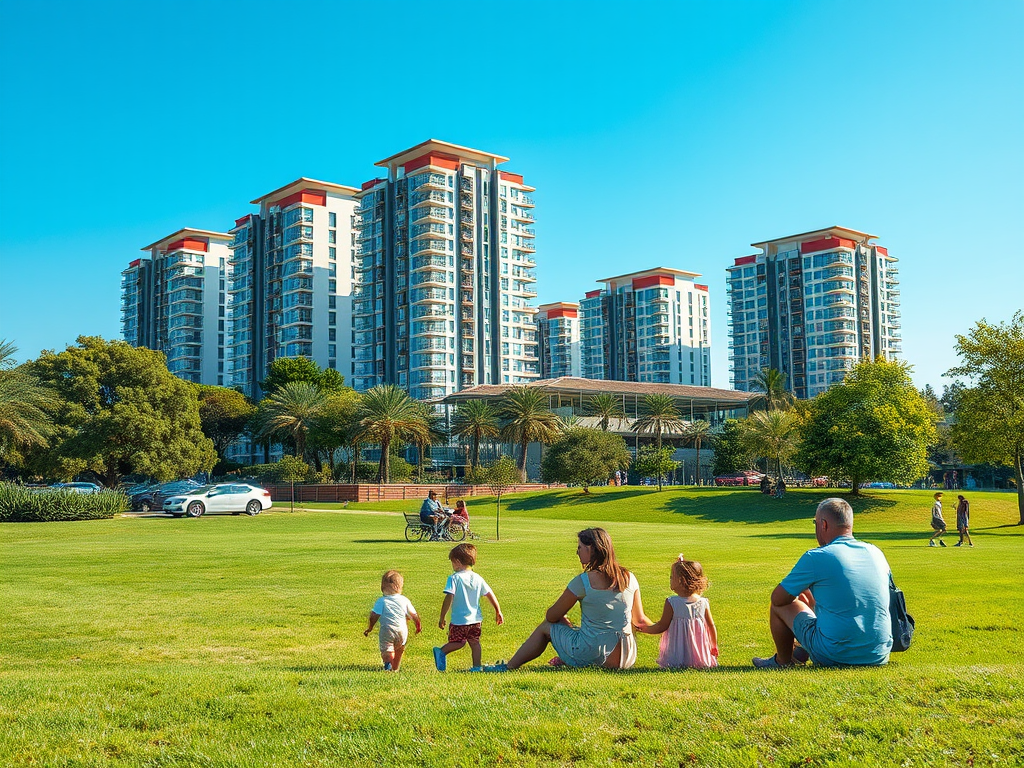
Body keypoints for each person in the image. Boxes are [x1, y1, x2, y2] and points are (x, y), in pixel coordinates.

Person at [753, 497, 892, 668]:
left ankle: (782, 661)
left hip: (835, 655)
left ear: (823, 524)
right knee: (809, 596)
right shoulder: (875, 552)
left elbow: (778, 599)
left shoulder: (817, 556)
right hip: (878, 654)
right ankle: (803, 649)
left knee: (780, 605)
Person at [485, 528, 647, 672]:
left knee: (547, 627)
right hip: (627, 657)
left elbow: (551, 617)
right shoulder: (629, 578)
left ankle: (509, 666)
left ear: (591, 549)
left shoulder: (583, 581)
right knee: (579, 630)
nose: (577, 552)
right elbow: (639, 619)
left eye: (579, 548)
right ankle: (569, 658)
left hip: (595, 653)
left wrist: (561, 620)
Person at [639, 554, 718, 669]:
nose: (670, 580)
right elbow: (711, 626)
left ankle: (679, 662)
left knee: (675, 664)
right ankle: (698, 662)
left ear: (681, 581)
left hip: (676, 654)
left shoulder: (672, 602)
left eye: (672, 577)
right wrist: (713, 645)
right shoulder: (703, 602)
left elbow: (662, 625)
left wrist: (645, 629)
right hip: (699, 655)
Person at [434, 544, 503, 672]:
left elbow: (449, 597)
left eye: (452, 563)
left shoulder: (454, 578)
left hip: (460, 620)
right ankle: (476, 667)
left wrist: (442, 617)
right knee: (474, 643)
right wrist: (498, 611)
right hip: (476, 620)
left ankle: (441, 652)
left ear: (458, 562)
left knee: (460, 642)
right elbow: (490, 594)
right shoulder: (478, 578)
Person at [364, 570, 421, 671]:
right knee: (399, 649)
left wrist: (370, 627)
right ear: (400, 587)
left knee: (387, 648)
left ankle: (388, 663)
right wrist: (418, 626)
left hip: (387, 630)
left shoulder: (381, 601)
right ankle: (395, 668)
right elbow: (414, 615)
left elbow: (374, 615)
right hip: (402, 630)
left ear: (382, 587)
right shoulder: (404, 600)